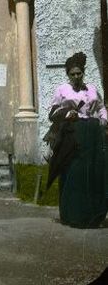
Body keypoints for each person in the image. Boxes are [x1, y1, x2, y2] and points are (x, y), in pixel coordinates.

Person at [44, 52, 108, 228]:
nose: (76, 77)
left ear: (83, 72)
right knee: (75, 172)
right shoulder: (62, 90)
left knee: (94, 173)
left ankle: (94, 215)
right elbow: (52, 113)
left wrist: (104, 119)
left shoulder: (93, 89)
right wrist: (67, 113)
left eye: (79, 73)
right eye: (72, 74)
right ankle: (73, 215)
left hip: (93, 135)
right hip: (73, 135)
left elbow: (101, 107)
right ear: (68, 74)